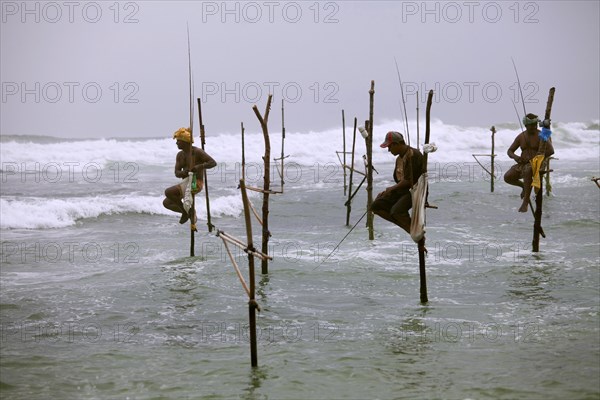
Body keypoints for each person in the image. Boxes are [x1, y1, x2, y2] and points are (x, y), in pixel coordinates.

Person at [371, 131, 424, 238]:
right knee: (376, 206)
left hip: (415, 191)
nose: (389, 150)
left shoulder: (413, 155)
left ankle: (416, 233)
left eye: (390, 147)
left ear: (397, 144)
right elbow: (399, 181)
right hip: (403, 191)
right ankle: (410, 229)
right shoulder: (399, 159)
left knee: (396, 212)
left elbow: (409, 181)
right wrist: (387, 193)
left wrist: (390, 189)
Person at [163, 127, 217, 224]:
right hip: (185, 182)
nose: (176, 143)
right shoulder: (180, 155)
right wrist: (184, 173)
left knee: (168, 192)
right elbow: (177, 173)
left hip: (196, 183)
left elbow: (213, 162)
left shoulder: (197, 152)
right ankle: (188, 211)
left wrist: (199, 167)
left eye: (178, 141)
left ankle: (186, 212)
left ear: (185, 141)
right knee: (167, 203)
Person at [504, 113, 554, 213]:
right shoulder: (521, 137)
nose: (534, 127)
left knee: (528, 170)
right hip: (523, 163)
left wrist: (537, 158)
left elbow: (551, 151)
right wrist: (516, 157)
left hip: (538, 163)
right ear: (526, 126)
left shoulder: (542, 135)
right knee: (508, 177)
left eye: (535, 125)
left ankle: (525, 202)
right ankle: (523, 186)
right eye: (531, 125)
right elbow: (510, 151)